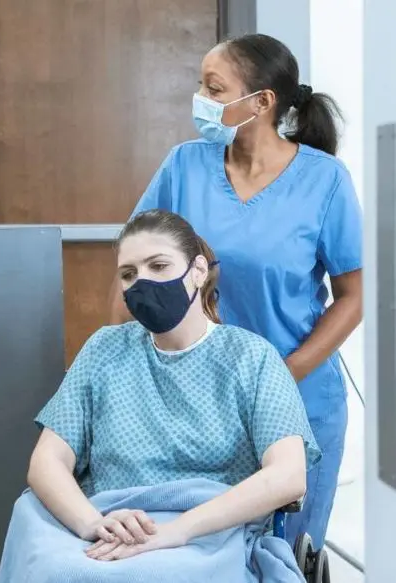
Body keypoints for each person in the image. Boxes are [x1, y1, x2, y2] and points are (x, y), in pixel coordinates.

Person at [109, 33, 363, 551]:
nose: (200, 99)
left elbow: (354, 298)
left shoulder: (325, 181)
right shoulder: (184, 166)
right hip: (192, 397)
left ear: (262, 101)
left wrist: (276, 377)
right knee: (197, 549)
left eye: (214, 87)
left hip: (298, 394)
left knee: (285, 553)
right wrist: (115, 361)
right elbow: (131, 268)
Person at [0, 210, 321, 583]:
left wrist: (177, 531)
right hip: (107, 518)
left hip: (207, 529)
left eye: (159, 266)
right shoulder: (104, 349)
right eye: (129, 274)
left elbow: (288, 476)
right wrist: (92, 523)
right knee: (58, 567)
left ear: (198, 271)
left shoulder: (252, 358)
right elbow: (46, 461)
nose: (142, 283)